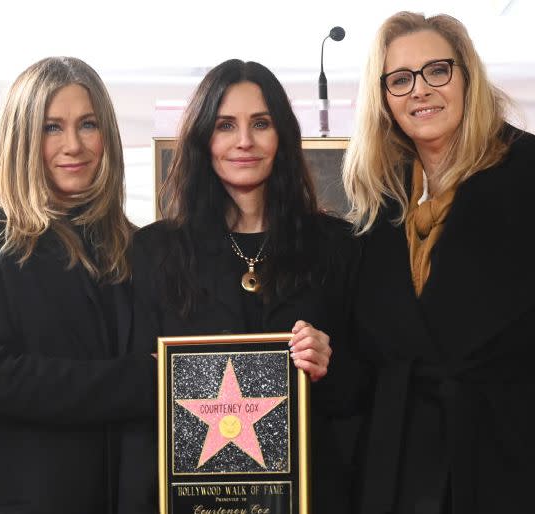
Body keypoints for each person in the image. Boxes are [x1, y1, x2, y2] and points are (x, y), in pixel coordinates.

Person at [342, 12, 535, 514]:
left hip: (506, 473)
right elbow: (364, 363)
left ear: (467, 76)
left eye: (437, 71)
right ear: (383, 100)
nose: (419, 90)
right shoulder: (374, 206)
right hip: (393, 479)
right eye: (400, 79)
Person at [123, 59, 362, 513]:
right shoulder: (154, 251)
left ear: (283, 137)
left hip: (313, 496)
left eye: (261, 123)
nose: (244, 141)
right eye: (225, 125)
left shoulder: (337, 247)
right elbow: (141, 399)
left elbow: (362, 391)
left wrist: (329, 362)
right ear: (202, 140)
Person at [0, 56, 154, 513]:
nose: (73, 145)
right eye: (52, 127)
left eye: (88, 124)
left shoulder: (137, 248)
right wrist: (143, 379)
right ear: (22, 138)